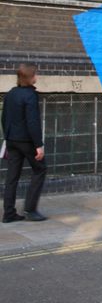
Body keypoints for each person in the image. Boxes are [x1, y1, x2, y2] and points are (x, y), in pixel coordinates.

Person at [2, 63, 48, 223]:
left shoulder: (11, 93)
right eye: (35, 74)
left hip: (12, 140)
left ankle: (8, 213)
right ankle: (30, 210)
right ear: (29, 77)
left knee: (12, 176)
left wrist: (7, 137)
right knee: (40, 169)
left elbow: (4, 117)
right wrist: (38, 145)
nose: (37, 77)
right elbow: (33, 122)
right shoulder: (30, 95)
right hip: (26, 141)